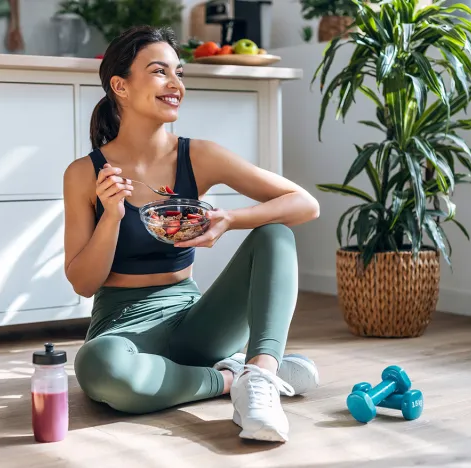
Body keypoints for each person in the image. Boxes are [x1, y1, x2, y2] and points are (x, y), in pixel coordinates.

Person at [63, 25, 321, 443]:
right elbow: (83, 282)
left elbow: (305, 204)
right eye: (160, 71)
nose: (176, 84)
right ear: (120, 86)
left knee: (275, 233)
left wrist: (231, 219)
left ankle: (261, 378)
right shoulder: (84, 174)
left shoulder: (197, 156)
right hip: (121, 327)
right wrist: (110, 215)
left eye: (179, 73)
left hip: (197, 323)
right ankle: (228, 378)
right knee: (100, 367)